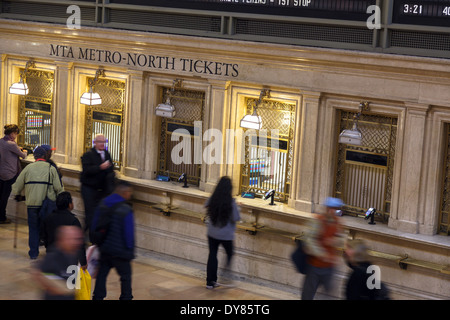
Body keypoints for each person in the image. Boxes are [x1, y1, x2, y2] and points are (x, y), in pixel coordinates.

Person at [11, 146, 64, 259]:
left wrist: (19, 194)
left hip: (32, 204)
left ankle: (33, 253)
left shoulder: (28, 168)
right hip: (48, 205)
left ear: (35, 157)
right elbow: (59, 188)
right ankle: (50, 252)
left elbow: (16, 187)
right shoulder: (51, 168)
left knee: (33, 228)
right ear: (44, 156)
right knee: (48, 228)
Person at [92, 180, 135, 300]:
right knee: (125, 276)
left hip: (105, 248)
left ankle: (98, 297)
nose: (130, 195)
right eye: (129, 192)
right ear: (125, 192)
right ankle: (126, 297)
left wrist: (97, 244)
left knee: (102, 274)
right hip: (120, 251)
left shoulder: (103, 204)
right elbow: (128, 233)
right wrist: (130, 251)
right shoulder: (126, 209)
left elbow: (95, 225)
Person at [301, 197, 344, 300]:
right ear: (327, 209)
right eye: (333, 209)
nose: (334, 211)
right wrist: (321, 254)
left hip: (329, 267)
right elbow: (308, 241)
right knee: (307, 294)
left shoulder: (337, 222)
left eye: (336, 209)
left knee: (329, 294)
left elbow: (342, 240)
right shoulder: (317, 221)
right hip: (314, 266)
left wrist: (335, 241)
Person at [204, 176, 241, 289]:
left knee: (212, 255)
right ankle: (225, 273)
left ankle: (210, 282)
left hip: (212, 232)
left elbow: (206, 205)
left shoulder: (214, 198)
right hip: (226, 235)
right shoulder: (231, 202)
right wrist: (238, 207)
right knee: (230, 253)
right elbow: (236, 217)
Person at [31, 225, 84, 300]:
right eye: (72, 239)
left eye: (78, 239)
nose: (76, 242)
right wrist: (56, 289)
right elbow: (37, 273)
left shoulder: (74, 254)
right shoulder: (52, 256)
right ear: (62, 240)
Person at [80, 134, 115, 239]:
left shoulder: (106, 154)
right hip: (89, 189)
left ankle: (85, 235)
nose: (102, 144)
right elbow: (87, 170)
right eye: (100, 142)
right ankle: (91, 238)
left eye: (104, 142)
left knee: (99, 214)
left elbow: (110, 168)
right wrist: (100, 167)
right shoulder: (88, 155)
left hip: (102, 190)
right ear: (95, 142)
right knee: (90, 214)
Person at [41, 191, 87, 269]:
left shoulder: (48, 218)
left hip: (51, 256)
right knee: (69, 281)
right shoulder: (73, 221)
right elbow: (80, 245)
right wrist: (83, 262)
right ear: (69, 204)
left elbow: (43, 236)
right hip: (70, 260)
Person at [0, 124, 28, 224]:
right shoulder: (11, 144)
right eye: (16, 134)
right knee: (4, 197)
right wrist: (24, 151)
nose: (16, 136)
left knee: (1, 195)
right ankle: (2, 217)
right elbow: (23, 156)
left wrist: (17, 148)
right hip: (10, 173)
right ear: (12, 133)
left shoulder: (1, 141)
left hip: (1, 172)